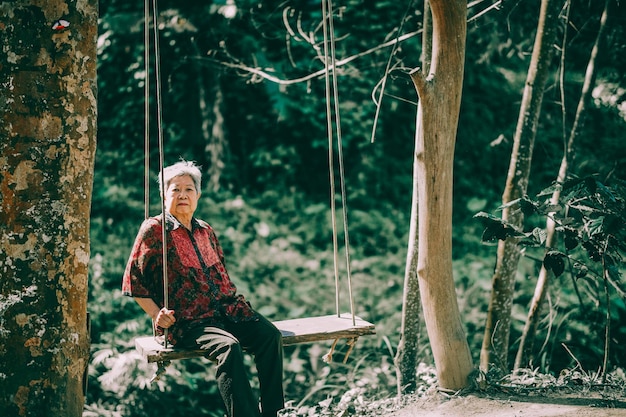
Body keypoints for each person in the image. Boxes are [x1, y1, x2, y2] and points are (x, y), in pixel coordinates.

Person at [122, 160, 284, 417]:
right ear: (164, 195)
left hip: (229, 311)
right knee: (229, 349)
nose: (183, 195)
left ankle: (275, 412)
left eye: (189, 189)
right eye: (175, 190)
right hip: (189, 320)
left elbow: (221, 271)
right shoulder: (154, 229)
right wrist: (157, 315)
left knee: (269, 336)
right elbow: (133, 279)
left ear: (198, 194)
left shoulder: (205, 229)